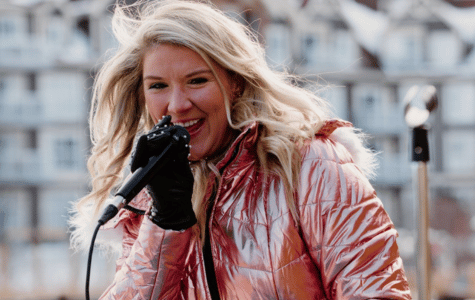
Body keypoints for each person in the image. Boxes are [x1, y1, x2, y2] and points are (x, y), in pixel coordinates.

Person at [69, 0, 413, 299]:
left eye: (197, 81)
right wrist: (166, 225)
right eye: (158, 86)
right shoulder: (150, 197)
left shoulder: (312, 166)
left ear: (234, 82)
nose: (177, 104)